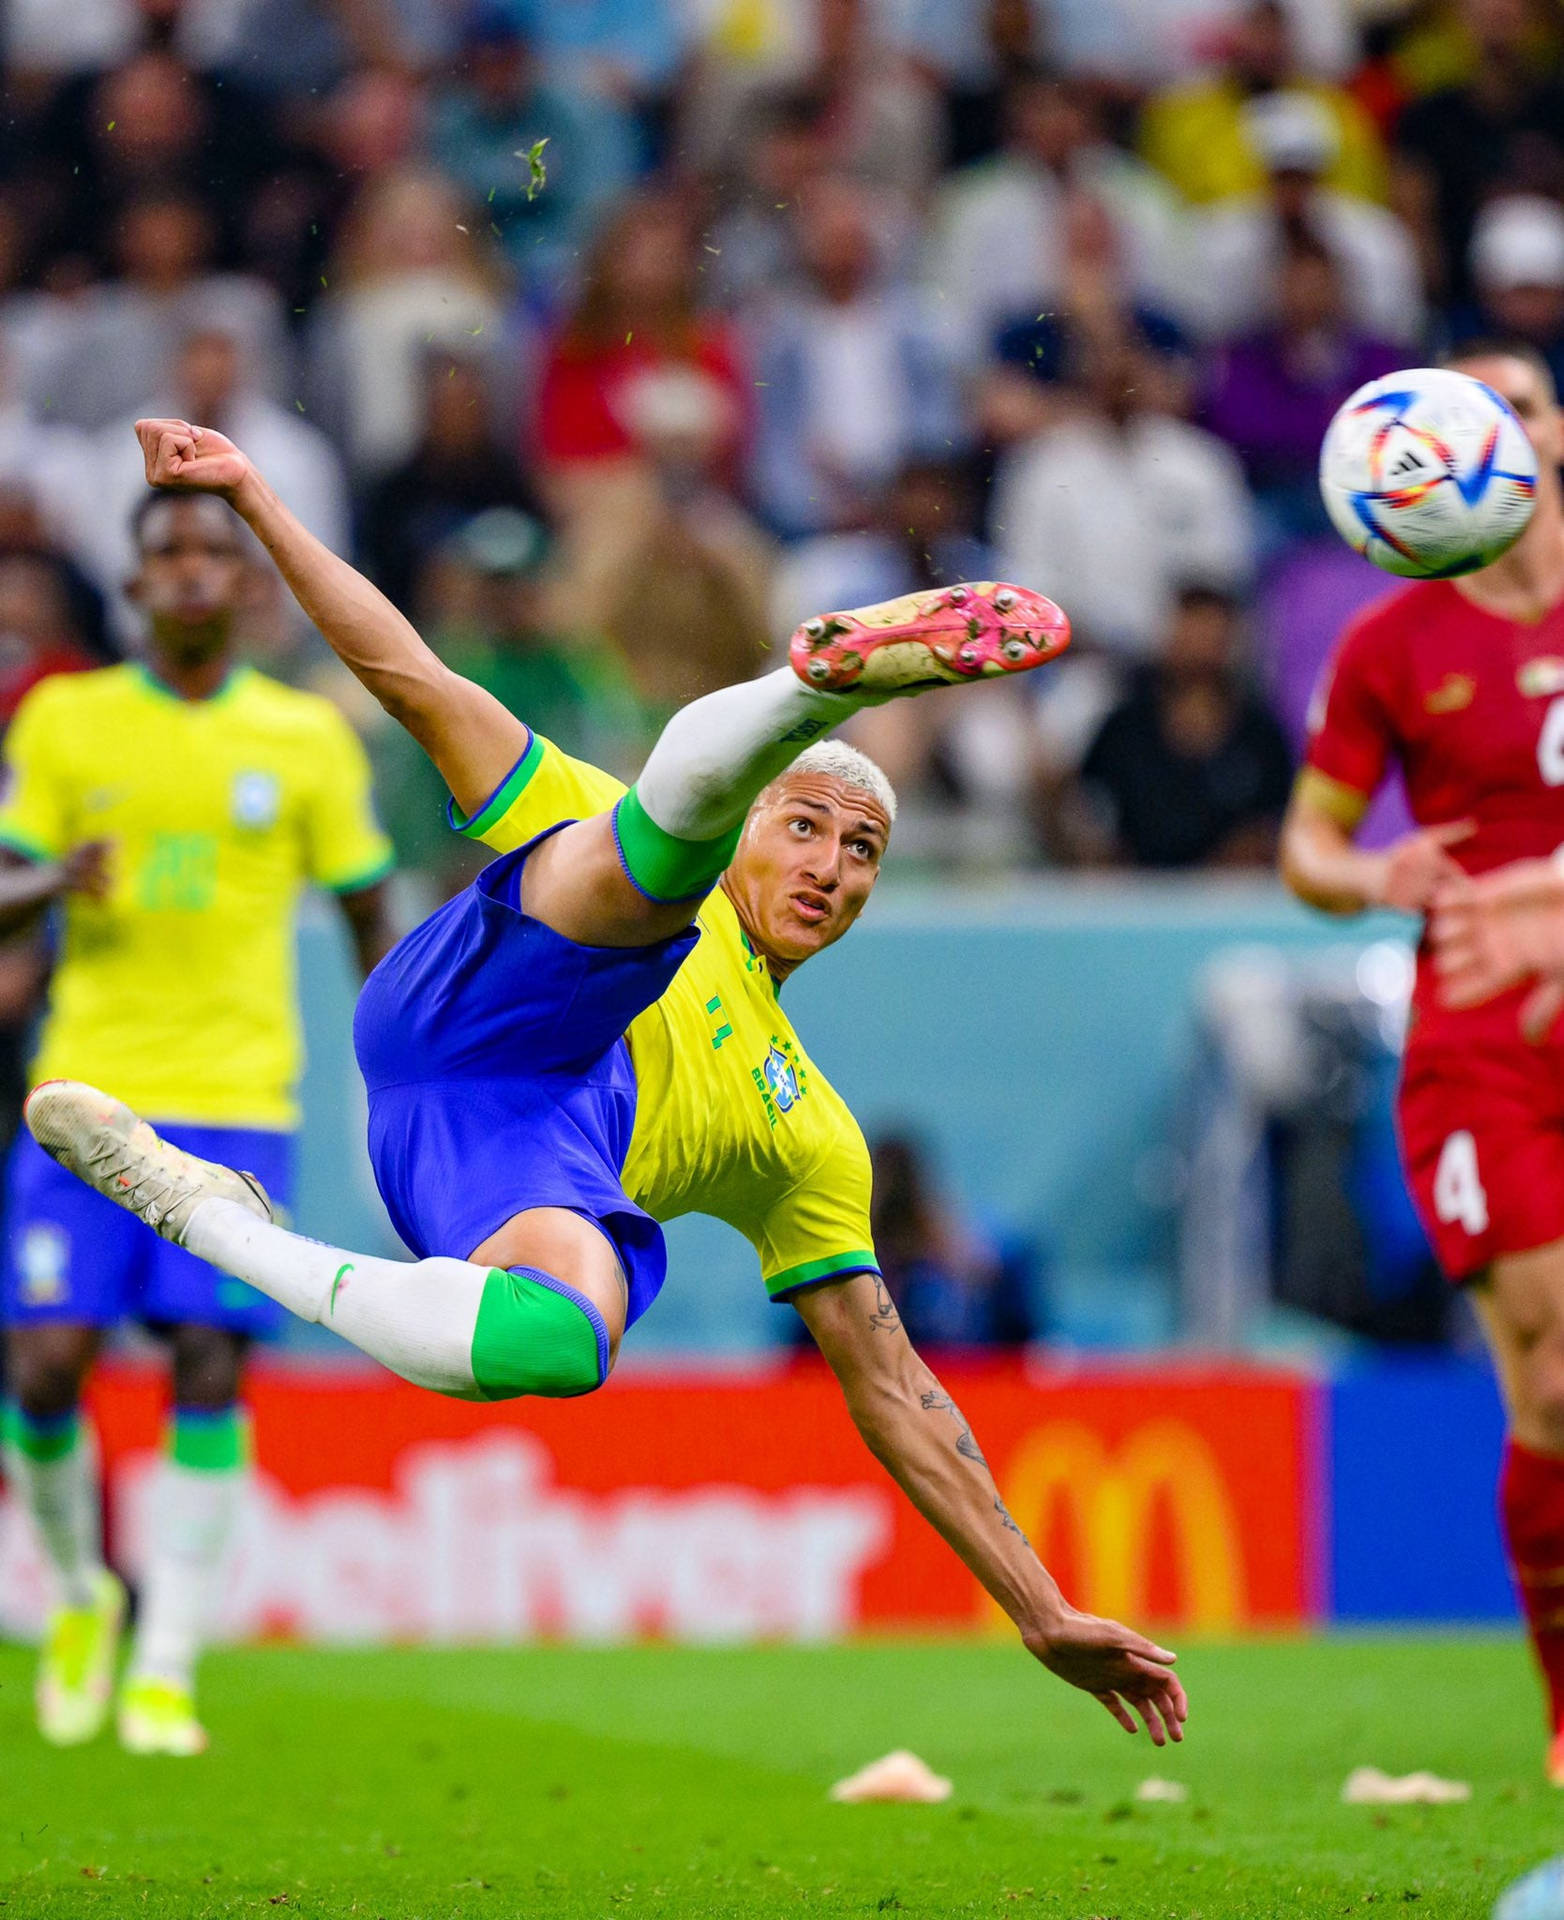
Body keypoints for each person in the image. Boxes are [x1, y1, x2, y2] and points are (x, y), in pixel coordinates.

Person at [28, 413, 1188, 1750]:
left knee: (566, 1343)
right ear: (761, 818)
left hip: (497, 1169)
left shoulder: (804, 1132)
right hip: (475, 1001)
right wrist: (255, 497)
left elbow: (891, 1380)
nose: (828, 865)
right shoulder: (616, 818)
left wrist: (1041, 1609)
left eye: (862, 849)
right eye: (803, 824)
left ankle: (215, 1224)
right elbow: (408, 675)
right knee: (641, 874)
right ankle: (809, 692)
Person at [0, 489, 394, 1756]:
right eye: (166, 552)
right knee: (47, 1367)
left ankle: (165, 1666)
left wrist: (412, 1067)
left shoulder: (305, 740)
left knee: (209, 1364)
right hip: (84, 1094)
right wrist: (56, 880)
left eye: (211, 554)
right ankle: (77, 1592)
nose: (188, 572)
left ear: (246, 587)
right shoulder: (65, 720)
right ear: (133, 584)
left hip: (236, 1103)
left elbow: (368, 912)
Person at [1278, 338, 1564, 1782]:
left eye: (1508, 407)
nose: (1486, 434)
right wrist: (1374, 872)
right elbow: (1306, 847)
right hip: (1481, 1051)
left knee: (1550, 1399)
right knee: (1560, 1387)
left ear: (1550, 431)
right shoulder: (1394, 647)